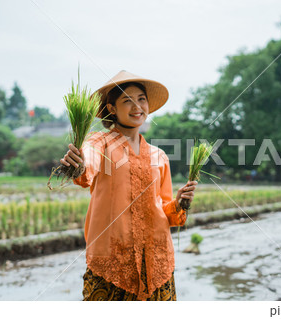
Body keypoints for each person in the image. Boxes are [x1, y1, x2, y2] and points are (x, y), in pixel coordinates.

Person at [60, 70, 198, 301]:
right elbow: (87, 167)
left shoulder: (159, 156)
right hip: (112, 263)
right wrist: (78, 166)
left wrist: (180, 202)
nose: (137, 106)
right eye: (127, 100)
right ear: (112, 108)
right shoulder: (99, 142)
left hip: (156, 262)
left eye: (141, 99)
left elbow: (165, 209)